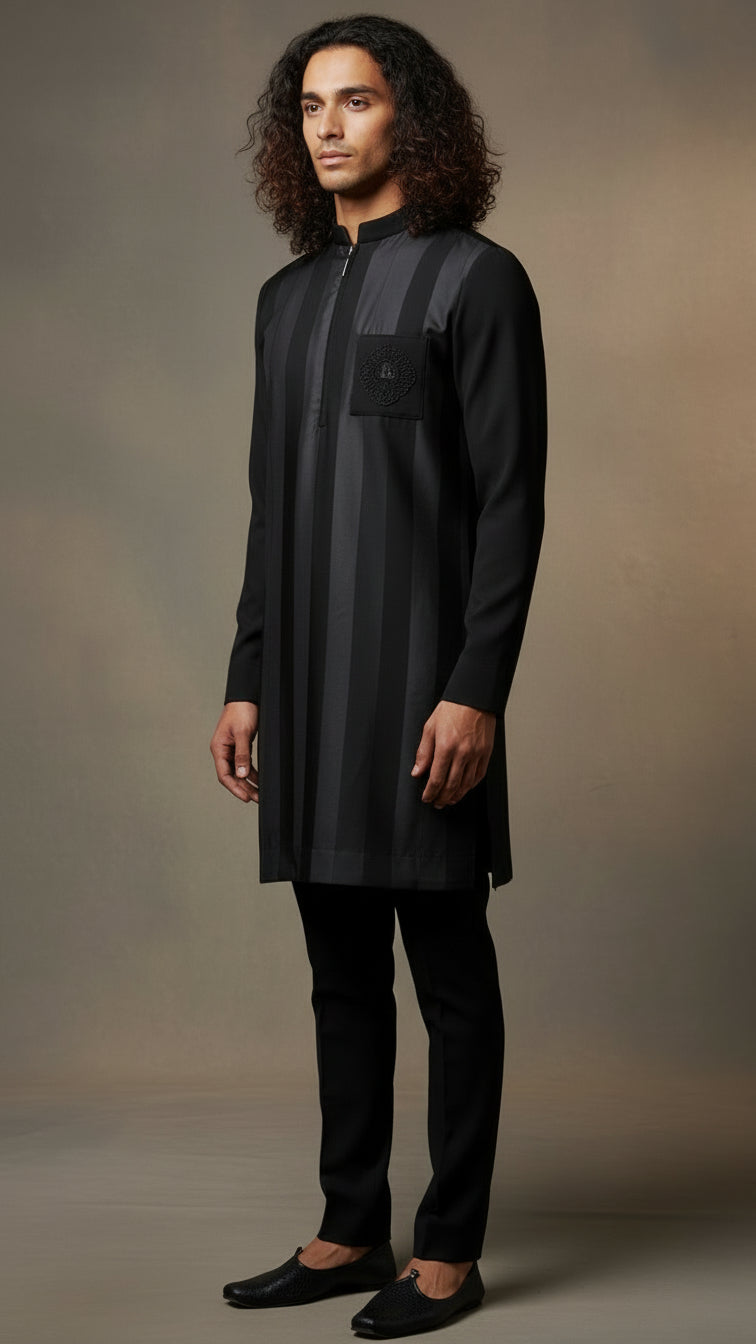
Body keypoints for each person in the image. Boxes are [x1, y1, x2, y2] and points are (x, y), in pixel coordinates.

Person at [209, 14, 547, 1338]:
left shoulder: (478, 281)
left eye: (355, 100)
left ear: (414, 115)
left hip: (422, 694)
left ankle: (449, 1252)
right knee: (338, 973)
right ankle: (351, 1228)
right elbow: (270, 512)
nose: (328, 126)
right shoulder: (283, 301)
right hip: (304, 693)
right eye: (309, 106)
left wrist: (478, 687)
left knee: (448, 976)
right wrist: (246, 678)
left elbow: (511, 507)